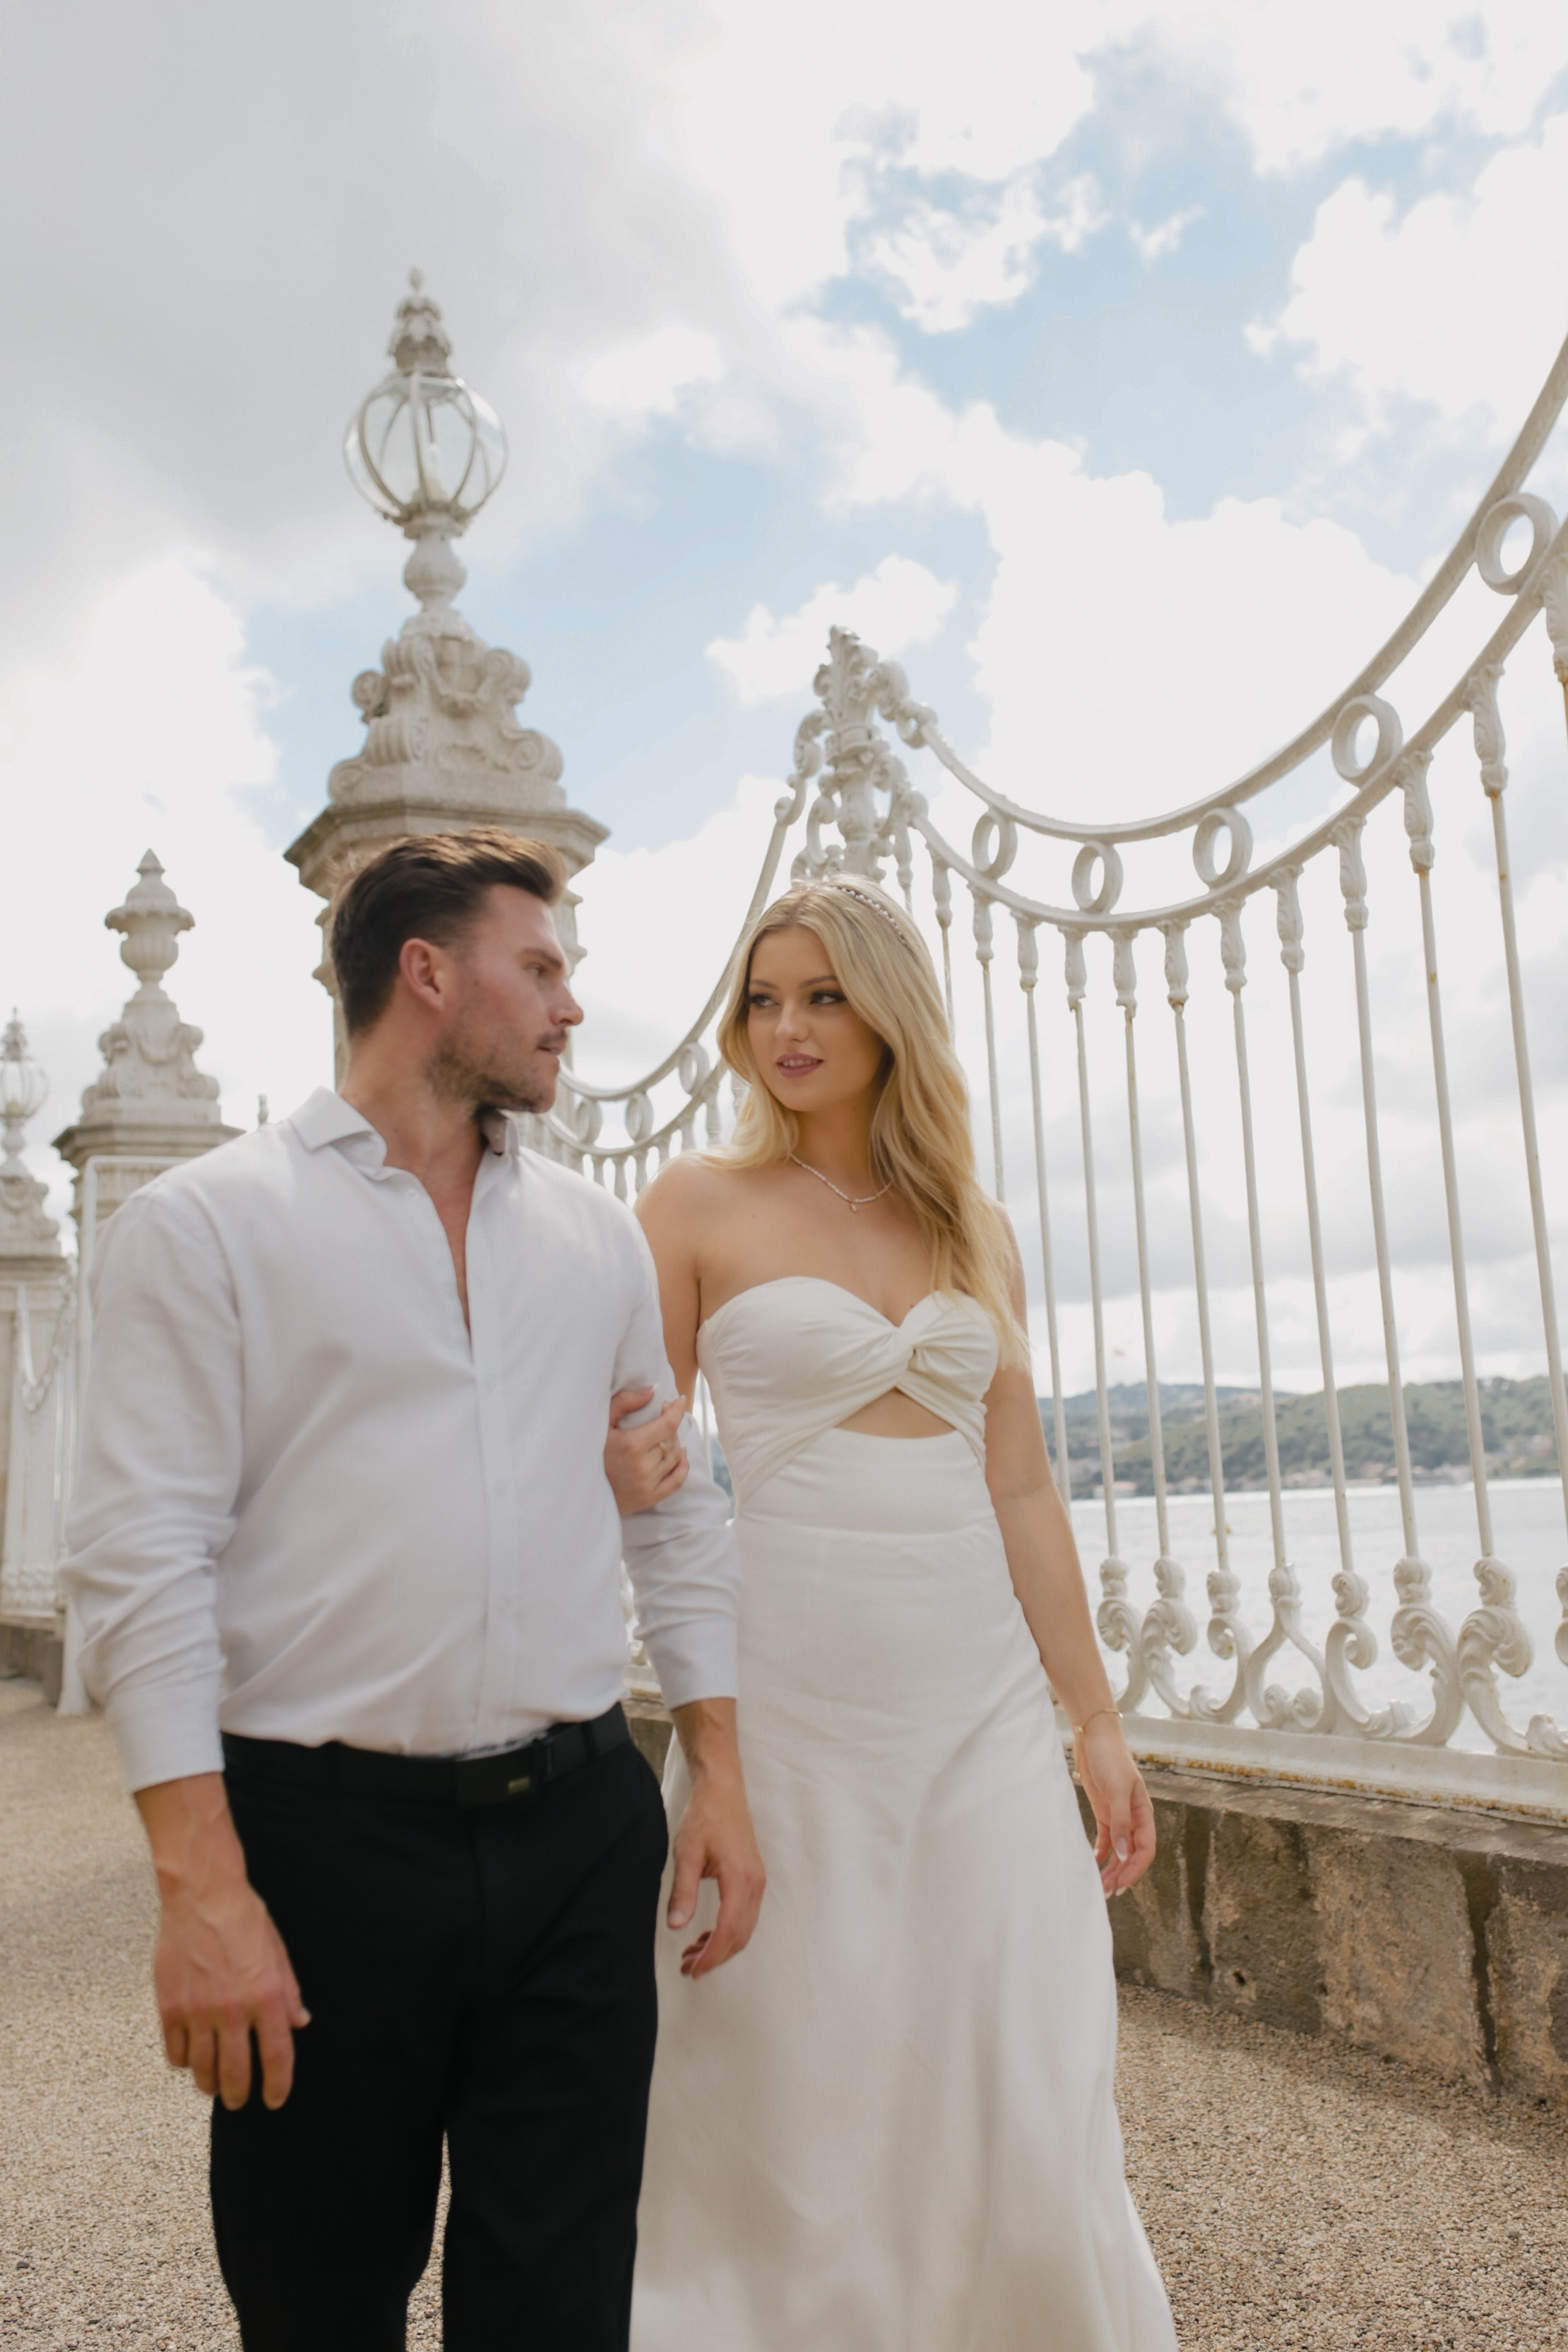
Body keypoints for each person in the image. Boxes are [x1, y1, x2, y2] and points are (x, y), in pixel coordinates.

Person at [61, 828, 765, 2352]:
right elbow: (141, 1566)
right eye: (545, 968)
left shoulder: (595, 1241)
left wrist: (716, 1760)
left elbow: (678, 1510)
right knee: (317, 2304)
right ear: (428, 976)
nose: (572, 1007)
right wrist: (202, 1888)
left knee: (561, 2304)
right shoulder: (208, 1227)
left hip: (580, 1830)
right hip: (321, 1848)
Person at [615, 872, 1177, 2351]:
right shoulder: (690, 1205)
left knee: (1013, 2039)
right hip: (788, 1690)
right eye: (762, 998)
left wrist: (1098, 1722)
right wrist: (631, 1455)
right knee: (795, 2051)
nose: (786, 1027)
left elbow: (1025, 1493)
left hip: (979, 1695)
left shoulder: (973, 1222)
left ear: (889, 1009)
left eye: (822, 993)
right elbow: (638, 1460)